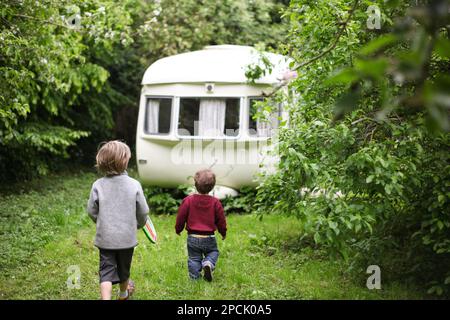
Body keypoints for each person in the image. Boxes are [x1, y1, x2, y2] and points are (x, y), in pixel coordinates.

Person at [87, 140, 149, 300]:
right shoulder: (134, 184)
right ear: (125, 161)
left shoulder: (98, 185)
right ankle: (123, 294)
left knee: (106, 270)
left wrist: (102, 223)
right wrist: (137, 224)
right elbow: (143, 212)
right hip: (126, 238)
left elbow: (92, 211)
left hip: (106, 237)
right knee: (124, 268)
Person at [175, 169, 227, 281]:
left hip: (193, 237)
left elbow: (181, 217)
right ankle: (208, 263)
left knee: (194, 258)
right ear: (212, 186)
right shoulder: (215, 202)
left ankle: (194, 279)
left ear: (195, 184)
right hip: (209, 237)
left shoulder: (188, 200)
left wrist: (178, 229)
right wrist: (223, 232)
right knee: (213, 252)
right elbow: (221, 220)